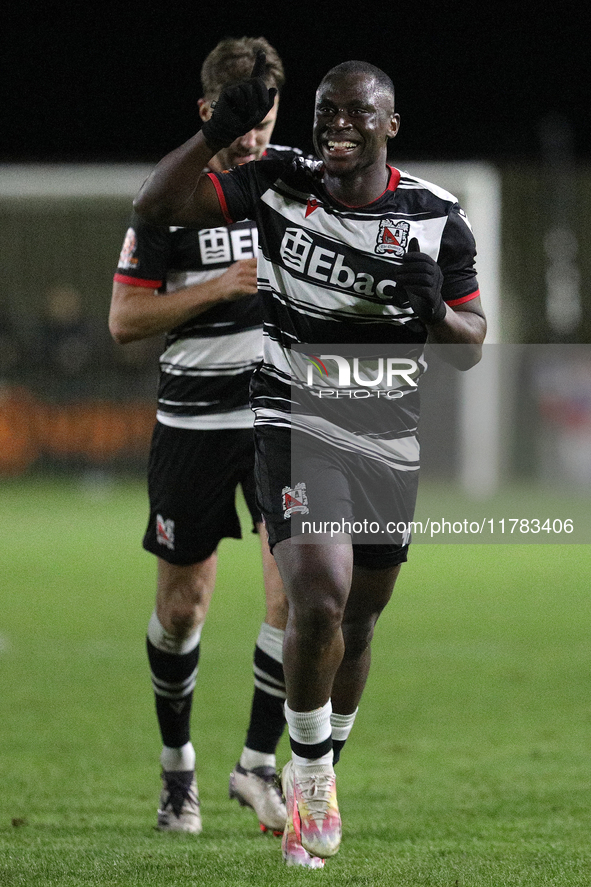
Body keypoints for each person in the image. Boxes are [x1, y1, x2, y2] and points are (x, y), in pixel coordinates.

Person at [133, 53, 487, 867]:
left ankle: (311, 760)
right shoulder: (276, 182)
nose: (334, 124)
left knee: (358, 617)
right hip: (293, 415)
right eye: (324, 110)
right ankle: (313, 780)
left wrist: (435, 309)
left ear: (388, 126)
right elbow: (155, 206)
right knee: (317, 596)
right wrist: (216, 133)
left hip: (387, 435)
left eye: (355, 113)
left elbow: (471, 346)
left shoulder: (435, 218)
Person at [109, 37, 304, 843]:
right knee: (182, 607)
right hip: (190, 424)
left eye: (265, 118)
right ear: (207, 112)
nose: (254, 136)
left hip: (278, 419)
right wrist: (222, 285)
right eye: (239, 119)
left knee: (293, 594)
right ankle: (177, 766)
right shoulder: (168, 197)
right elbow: (124, 321)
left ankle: (256, 763)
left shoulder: (295, 176)